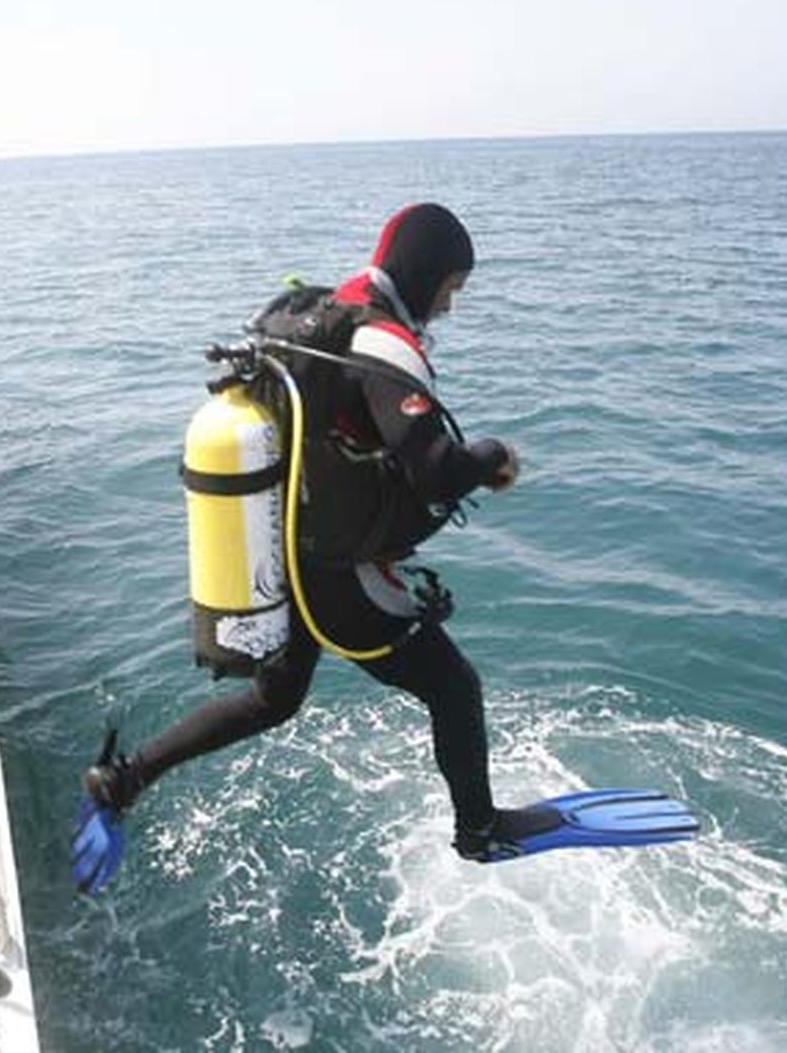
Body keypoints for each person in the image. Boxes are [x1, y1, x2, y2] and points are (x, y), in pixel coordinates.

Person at [83, 203, 555, 866]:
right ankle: (479, 829)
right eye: (451, 288)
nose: (449, 307)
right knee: (453, 686)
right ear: (426, 273)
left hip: (291, 550)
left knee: (275, 699)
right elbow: (436, 472)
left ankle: (123, 778)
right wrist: (492, 454)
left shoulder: (324, 313)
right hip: (343, 577)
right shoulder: (381, 340)